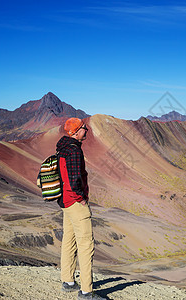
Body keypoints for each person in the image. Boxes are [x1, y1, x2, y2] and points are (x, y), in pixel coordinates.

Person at [57, 117, 104, 300]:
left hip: (65, 203)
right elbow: (75, 179)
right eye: (84, 128)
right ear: (76, 131)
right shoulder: (74, 151)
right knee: (86, 245)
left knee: (69, 240)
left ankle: (68, 281)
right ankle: (86, 292)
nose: (87, 131)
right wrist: (81, 199)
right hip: (75, 203)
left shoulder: (62, 148)